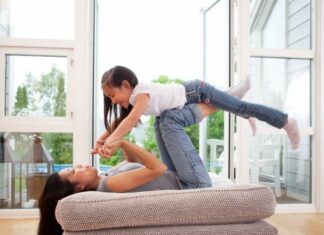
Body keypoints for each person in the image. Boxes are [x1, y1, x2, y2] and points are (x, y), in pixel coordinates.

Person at [38, 102, 217, 235]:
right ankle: (220, 103)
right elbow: (157, 168)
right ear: (79, 187)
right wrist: (123, 142)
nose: (78, 166)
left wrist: (121, 146)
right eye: (73, 171)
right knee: (169, 122)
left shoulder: (105, 176)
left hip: (179, 176)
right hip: (192, 184)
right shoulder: (109, 185)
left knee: (161, 118)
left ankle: (218, 101)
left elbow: (131, 162)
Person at [97, 65, 300, 156]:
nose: (113, 102)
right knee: (231, 103)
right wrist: (103, 139)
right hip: (187, 97)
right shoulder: (132, 100)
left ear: (125, 85)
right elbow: (120, 123)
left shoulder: (140, 94)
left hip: (196, 91)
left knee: (239, 106)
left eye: (112, 96)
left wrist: (111, 140)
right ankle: (239, 99)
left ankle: (285, 121)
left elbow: (130, 121)